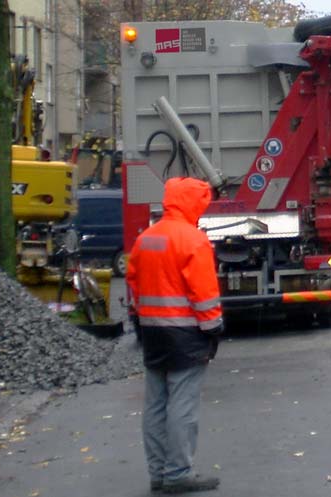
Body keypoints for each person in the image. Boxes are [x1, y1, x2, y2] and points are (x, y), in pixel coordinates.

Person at [127, 177, 223, 494]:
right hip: (185, 335)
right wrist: (213, 330)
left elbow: (134, 282)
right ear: (193, 204)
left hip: (153, 332)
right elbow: (204, 294)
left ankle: (158, 473)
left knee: (155, 405)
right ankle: (178, 472)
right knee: (182, 406)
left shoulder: (146, 239)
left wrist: (144, 318)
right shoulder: (193, 241)